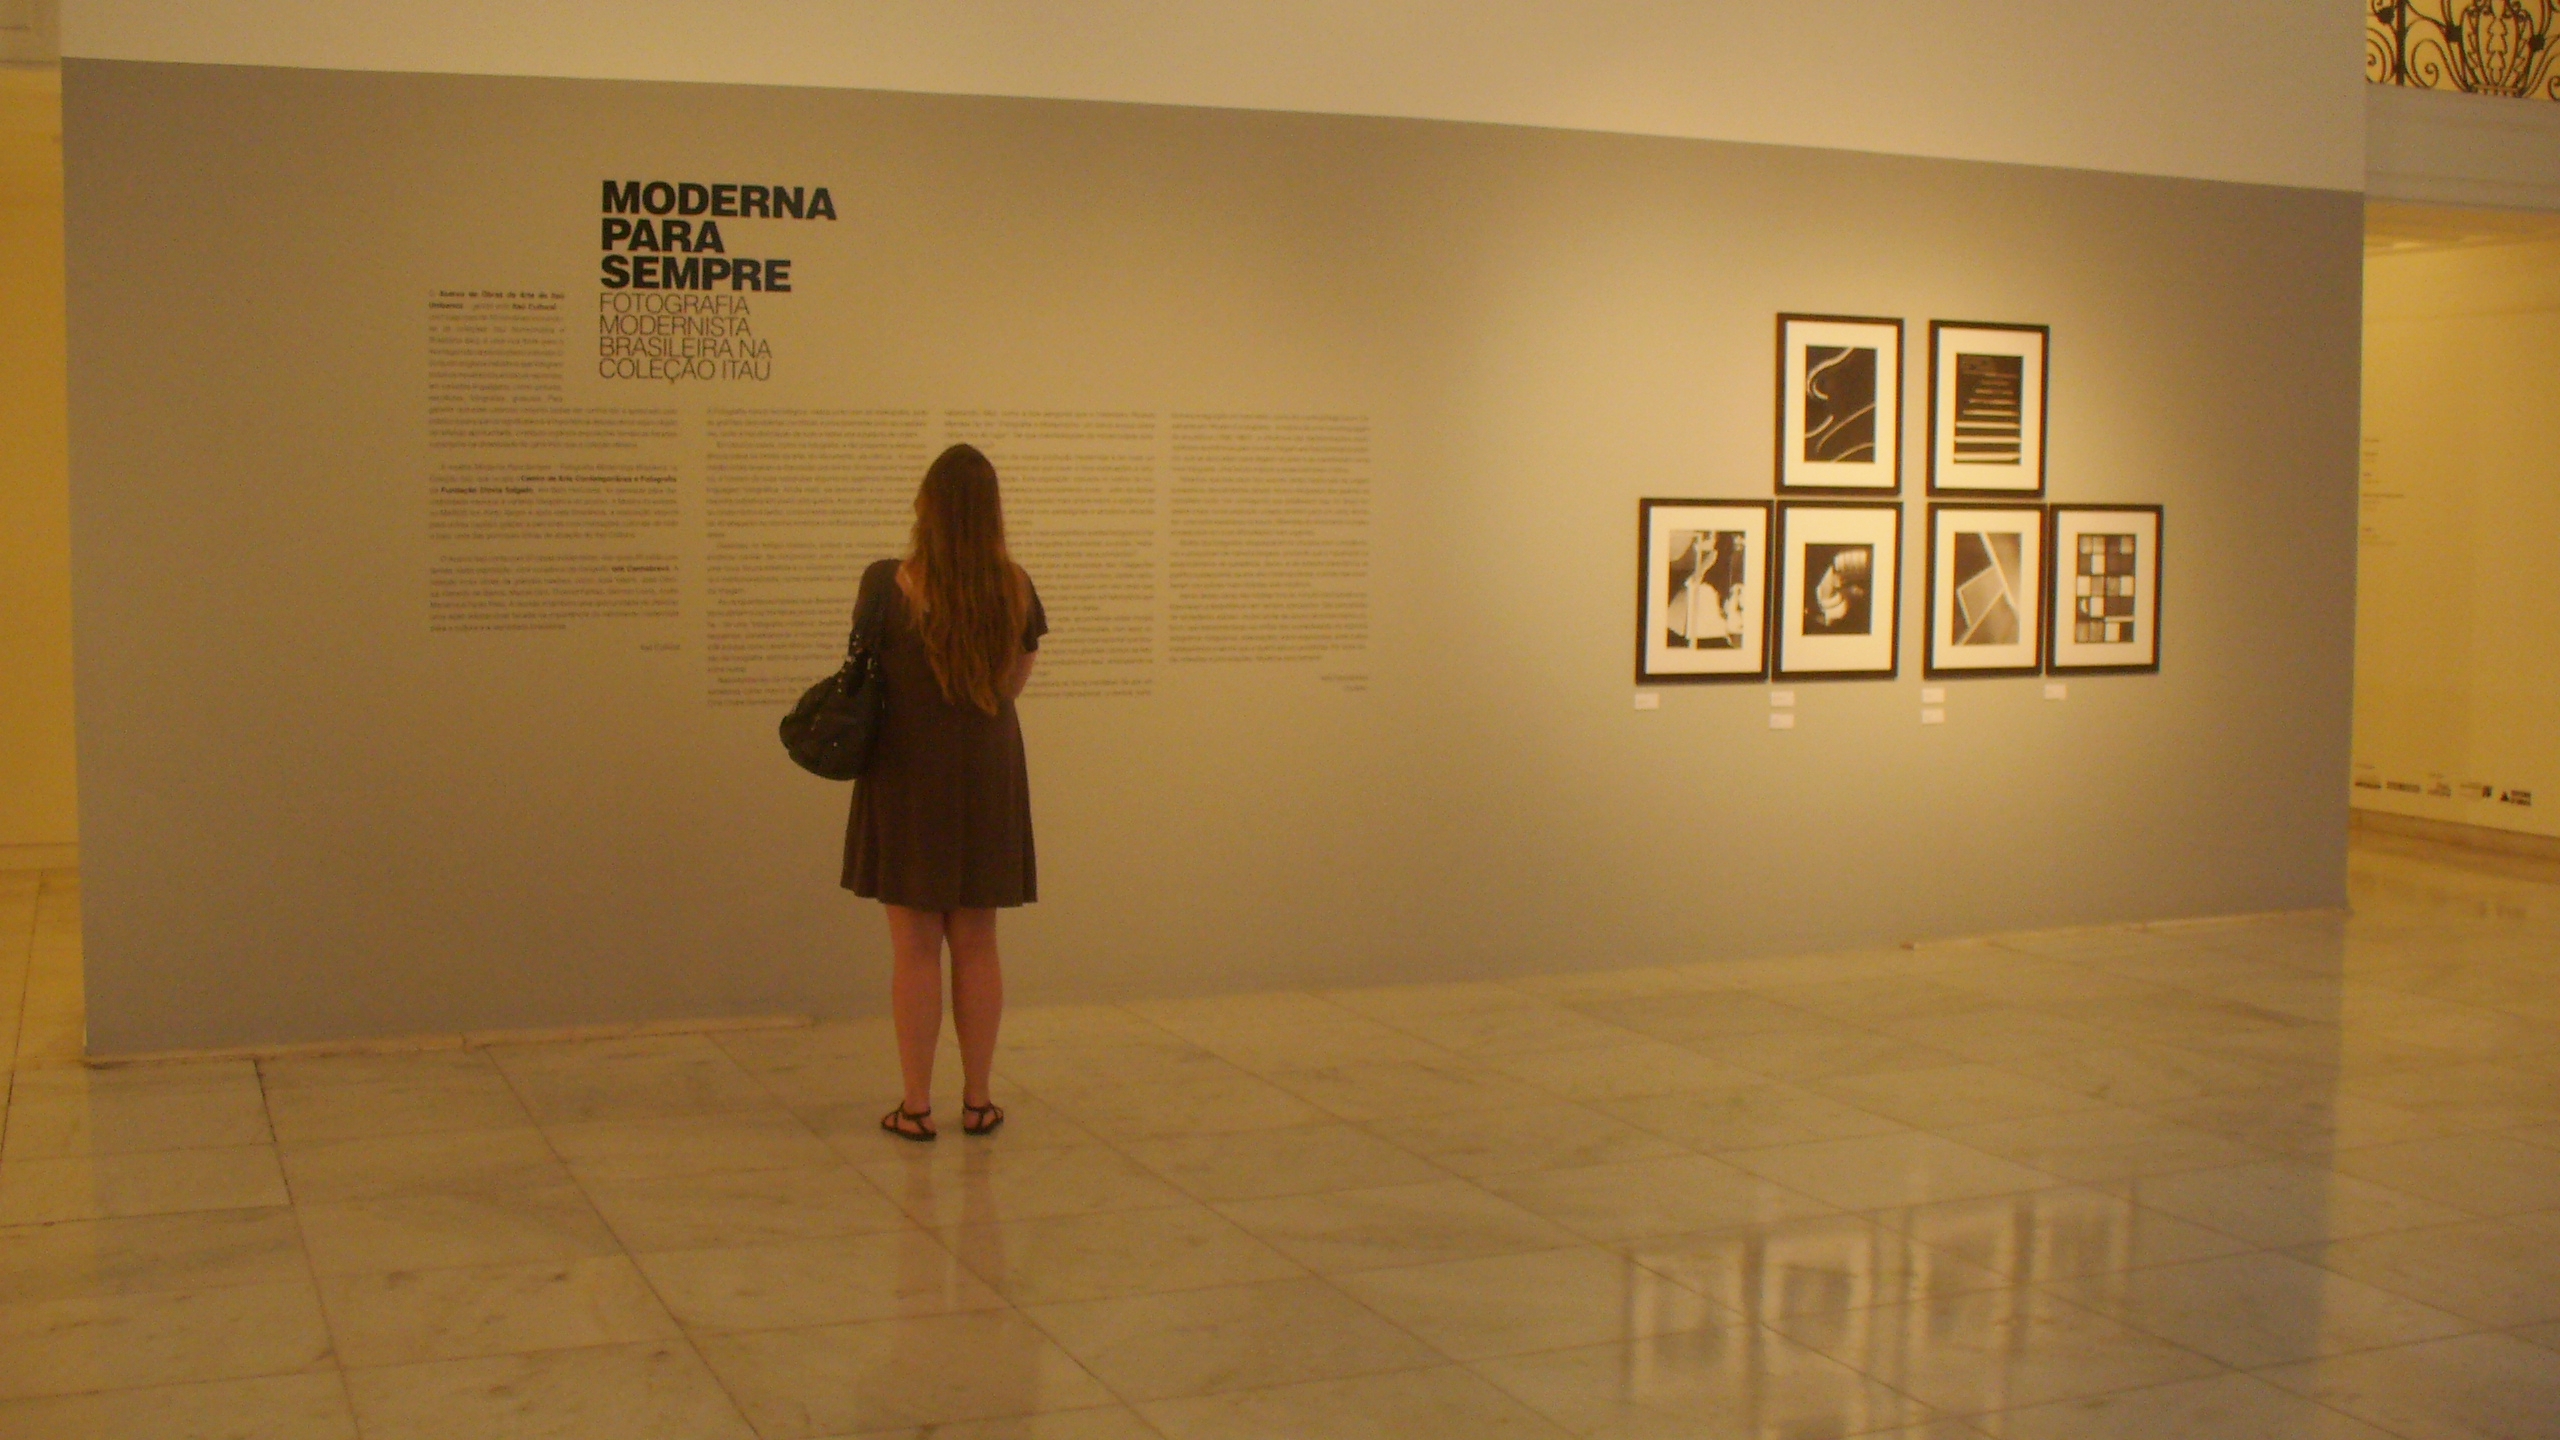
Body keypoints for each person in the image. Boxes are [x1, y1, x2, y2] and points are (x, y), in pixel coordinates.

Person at [845, 443, 1046, 1141]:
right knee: (979, 942)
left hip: (907, 776)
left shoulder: (886, 582)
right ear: (991, 512)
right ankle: (979, 1100)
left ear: (927, 505)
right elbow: (1013, 681)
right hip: (986, 774)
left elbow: (863, 670)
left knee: (915, 949)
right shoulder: (1015, 587)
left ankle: (916, 1106)